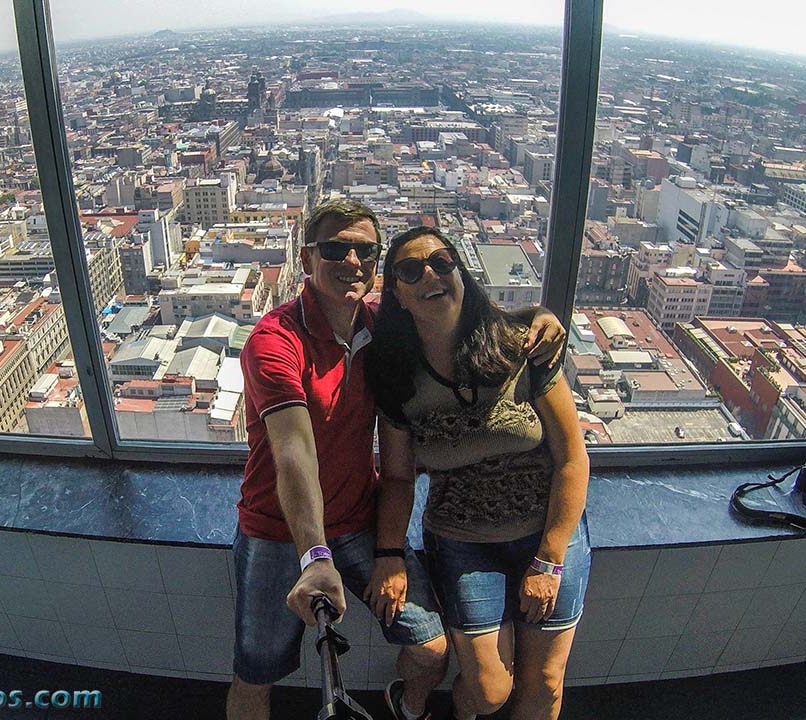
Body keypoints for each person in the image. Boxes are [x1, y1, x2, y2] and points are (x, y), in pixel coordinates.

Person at [227, 200, 565, 720]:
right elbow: (293, 451)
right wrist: (314, 556)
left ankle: (409, 707)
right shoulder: (275, 342)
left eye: (366, 250)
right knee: (257, 674)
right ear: (305, 258)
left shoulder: (378, 326)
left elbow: (453, 314)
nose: (353, 261)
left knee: (430, 645)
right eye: (336, 249)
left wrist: (535, 318)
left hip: (359, 518)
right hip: (279, 528)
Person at [367, 226, 591, 720]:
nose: (430, 274)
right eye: (410, 269)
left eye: (442, 262)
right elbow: (400, 478)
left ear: (460, 273)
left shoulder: (520, 347)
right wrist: (389, 553)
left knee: (545, 684)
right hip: (462, 536)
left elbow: (573, 457)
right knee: (490, 689)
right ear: (398, 296)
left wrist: (550, 560)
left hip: (547, 531)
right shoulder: (398, 377)